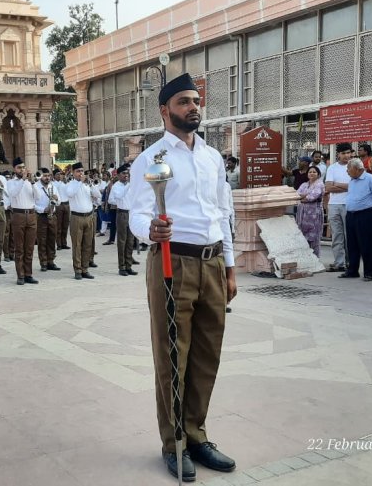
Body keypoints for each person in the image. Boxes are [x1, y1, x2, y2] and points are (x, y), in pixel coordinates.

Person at [128, 73, 236, 482]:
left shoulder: (211, 158)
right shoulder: (153, 159)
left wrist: (228, 266)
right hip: (173, 262)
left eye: (195, 101)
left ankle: (197, 434)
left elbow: (223, 214)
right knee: (173, 355)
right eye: (184, 102)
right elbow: (138, 212)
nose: (193, 107)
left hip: (210, 264)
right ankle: (174, 443)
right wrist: (148, 230)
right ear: (165, 110)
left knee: (207, 355)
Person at [339, 158, 372, 281]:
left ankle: (368, 272)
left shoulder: (369, 179)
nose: (347, 171)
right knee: (352, 244)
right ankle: (352, 270)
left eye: (349, 168)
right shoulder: (352, 180)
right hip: (351, 215)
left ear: (358, 169)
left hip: (366, 214)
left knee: (366, 244)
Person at [6, 158, 39, 285]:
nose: (22, 170)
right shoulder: (11, 182)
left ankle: (28, 274)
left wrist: (33, 183)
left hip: (31, 215)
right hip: (18, 215)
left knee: (29, 247)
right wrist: (23, 180)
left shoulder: (30, 182)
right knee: (19, 248)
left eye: (23, 167)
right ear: (15, 169)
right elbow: (13, 194)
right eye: (19, 167)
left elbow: (39, 197)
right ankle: (20, 275)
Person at [66, 162, 100, 280]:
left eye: (82, 171)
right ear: (73, 173)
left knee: (88, 244)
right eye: (78, 171)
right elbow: (70, 193)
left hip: (89, 217)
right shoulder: (71, 184)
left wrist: (90, 184)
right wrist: (80, 182)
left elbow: (98, 195)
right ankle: (78, 270)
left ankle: (85, 268)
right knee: (77, 245)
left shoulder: (87, 185)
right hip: (77, 218)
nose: (81, 173)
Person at [325, 143, 353, 272]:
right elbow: (328, 188)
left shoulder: (354, 167)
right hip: (334, 205)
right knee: (337, 235)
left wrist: (336, 184)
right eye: (344, 153)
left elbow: (353, 187)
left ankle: (351, 263)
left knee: (350, 236)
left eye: (348, 153)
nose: (347, 155)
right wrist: (345, 186)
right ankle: (339, 263)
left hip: (349, 204)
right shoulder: (332, 168)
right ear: (338, 154)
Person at [109, 164, 137, 275]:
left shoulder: (130, 185)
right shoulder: (117, 186)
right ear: (118, 175)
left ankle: (129, 265)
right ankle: (122, 267)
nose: (126, 175)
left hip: (131, 214)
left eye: (127, 173)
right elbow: (118, 197)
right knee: (122, 241)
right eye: (124, 173)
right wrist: (129, 186)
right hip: (122, 214)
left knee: (130, 241)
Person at [34, 168, 61, 272]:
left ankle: (51, 261)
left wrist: (57, 199)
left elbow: (59, 201)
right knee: (42, 240)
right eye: (45, 176)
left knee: (52, 239)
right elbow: (32, 204)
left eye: (49, 176)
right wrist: (43, 209)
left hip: (52, 216)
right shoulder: (35, 187)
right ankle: (43, 262)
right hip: (41, 216)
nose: (47, 178)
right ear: (41, 176)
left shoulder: (53, 186)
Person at [296, 166, 325, 257]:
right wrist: (305, 195)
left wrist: (303, 197)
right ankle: (305, 258)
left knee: (314, 236)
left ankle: (315, 258)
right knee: (303, 235)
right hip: (302, 213)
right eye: (310, 172)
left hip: (314, 213)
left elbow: (312, 197)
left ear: (318, 174)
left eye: (314, 172)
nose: (312, 173)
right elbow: (296, 195)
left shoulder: (319, 184)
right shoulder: (304, 184)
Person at [53, 169, 71, 249]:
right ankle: (59, 244)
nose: (59, 176)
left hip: (66, 204)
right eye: (57, 174)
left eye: (60, 174)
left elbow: (69, 192)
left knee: (65, 225)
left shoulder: (65, 183)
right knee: (59, 225)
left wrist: (66, 182)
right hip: (59, 205)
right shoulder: (53, 184)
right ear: (54, 176)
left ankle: (64, 243)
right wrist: (64, 182)